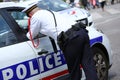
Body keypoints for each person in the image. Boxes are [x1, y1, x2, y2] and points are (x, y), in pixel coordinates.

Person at [22, 2, 98, 80]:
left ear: (30, 14)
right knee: (88, 64)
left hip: (71, 39)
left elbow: (30, 35)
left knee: (74, 69)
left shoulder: (35, 17)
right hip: (81, 32)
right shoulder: (50, 11)